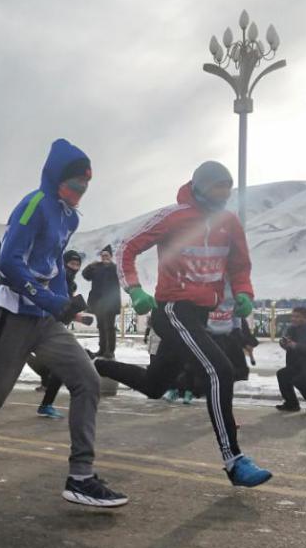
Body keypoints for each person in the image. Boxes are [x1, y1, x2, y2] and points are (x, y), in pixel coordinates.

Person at [0, 138, 128, 507]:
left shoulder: (70, 215)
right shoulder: (34, 205)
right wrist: (50, 301)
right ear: (56, 178)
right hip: (12, 315)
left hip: (44, 320)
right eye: (75, 184)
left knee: (87, 381)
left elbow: (53, 263)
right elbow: (10, 263)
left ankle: (81, 476)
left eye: (86, 186)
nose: (80, 192)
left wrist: (67, 304)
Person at [95, 160, 272, 487]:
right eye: (218, 188)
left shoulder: (228, 222)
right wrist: (134, 289)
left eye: (227, 189)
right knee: (219, 370)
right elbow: (126, 248)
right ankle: (233, 460)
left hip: (200, 312)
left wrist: (244, 292)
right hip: (174, 309)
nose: (222, 195)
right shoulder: (174, 217)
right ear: (201, 186)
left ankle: (98, 366)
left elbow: (239, 265)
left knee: (155, 385)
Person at [34, 249, 91, 420]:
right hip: (42, 326)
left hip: (56, 328)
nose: (74, 267)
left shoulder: (71, 285)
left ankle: (46, 403)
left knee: (61, 367)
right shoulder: (55, 280)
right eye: (71, 264)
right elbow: (53, 303)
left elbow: (64, 308)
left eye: (77, 264)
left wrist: (79, 317)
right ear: (64, 264)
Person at [82, 245, 121, 358]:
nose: (105, 257)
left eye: (107, 255)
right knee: (100, 326)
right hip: (98, 302)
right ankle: (102, 349)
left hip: (110, 303)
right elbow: (85, 276)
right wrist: (89, 266)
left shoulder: (115, 268)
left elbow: (123, 277)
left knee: (109, 327)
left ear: (111, 256)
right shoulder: (96, 267)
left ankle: (110, 350)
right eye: (103, 255)